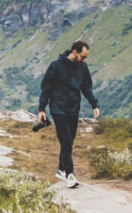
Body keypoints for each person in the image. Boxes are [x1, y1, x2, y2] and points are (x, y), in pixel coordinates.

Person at [35, 40, 99, 188]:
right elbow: (46, 88)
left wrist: (94, 105)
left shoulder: (82, 67)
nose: (84, 60)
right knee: (65, 141)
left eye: (86, 58)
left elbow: (86, 87)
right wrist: (41, 109)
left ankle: (61, 169)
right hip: (58, 108)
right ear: (74, 52)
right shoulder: (56, 66)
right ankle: (70, 175)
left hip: (73, 108)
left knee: (69, 142)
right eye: (83, 56)